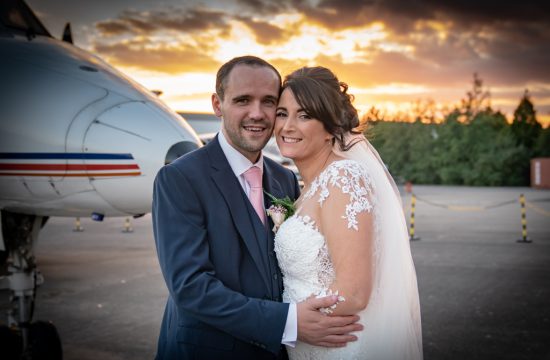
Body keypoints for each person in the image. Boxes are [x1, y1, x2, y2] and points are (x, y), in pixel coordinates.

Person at [152, 56, 362, 360]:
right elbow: (190, 287)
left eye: (269, 102)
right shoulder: (180, 178)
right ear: (217, 104)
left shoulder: (285, 179)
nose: (257, 114)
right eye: (242, 100)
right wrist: (288, 322)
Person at [273, 66, 423, 359]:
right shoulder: (307, 186)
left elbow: (353, 293)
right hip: (306, 344)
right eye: (282, 113)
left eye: (304, 116)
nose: (287, 126)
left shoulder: (342, 178)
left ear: (331, 128)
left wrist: (290, 320)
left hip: (335, 347)